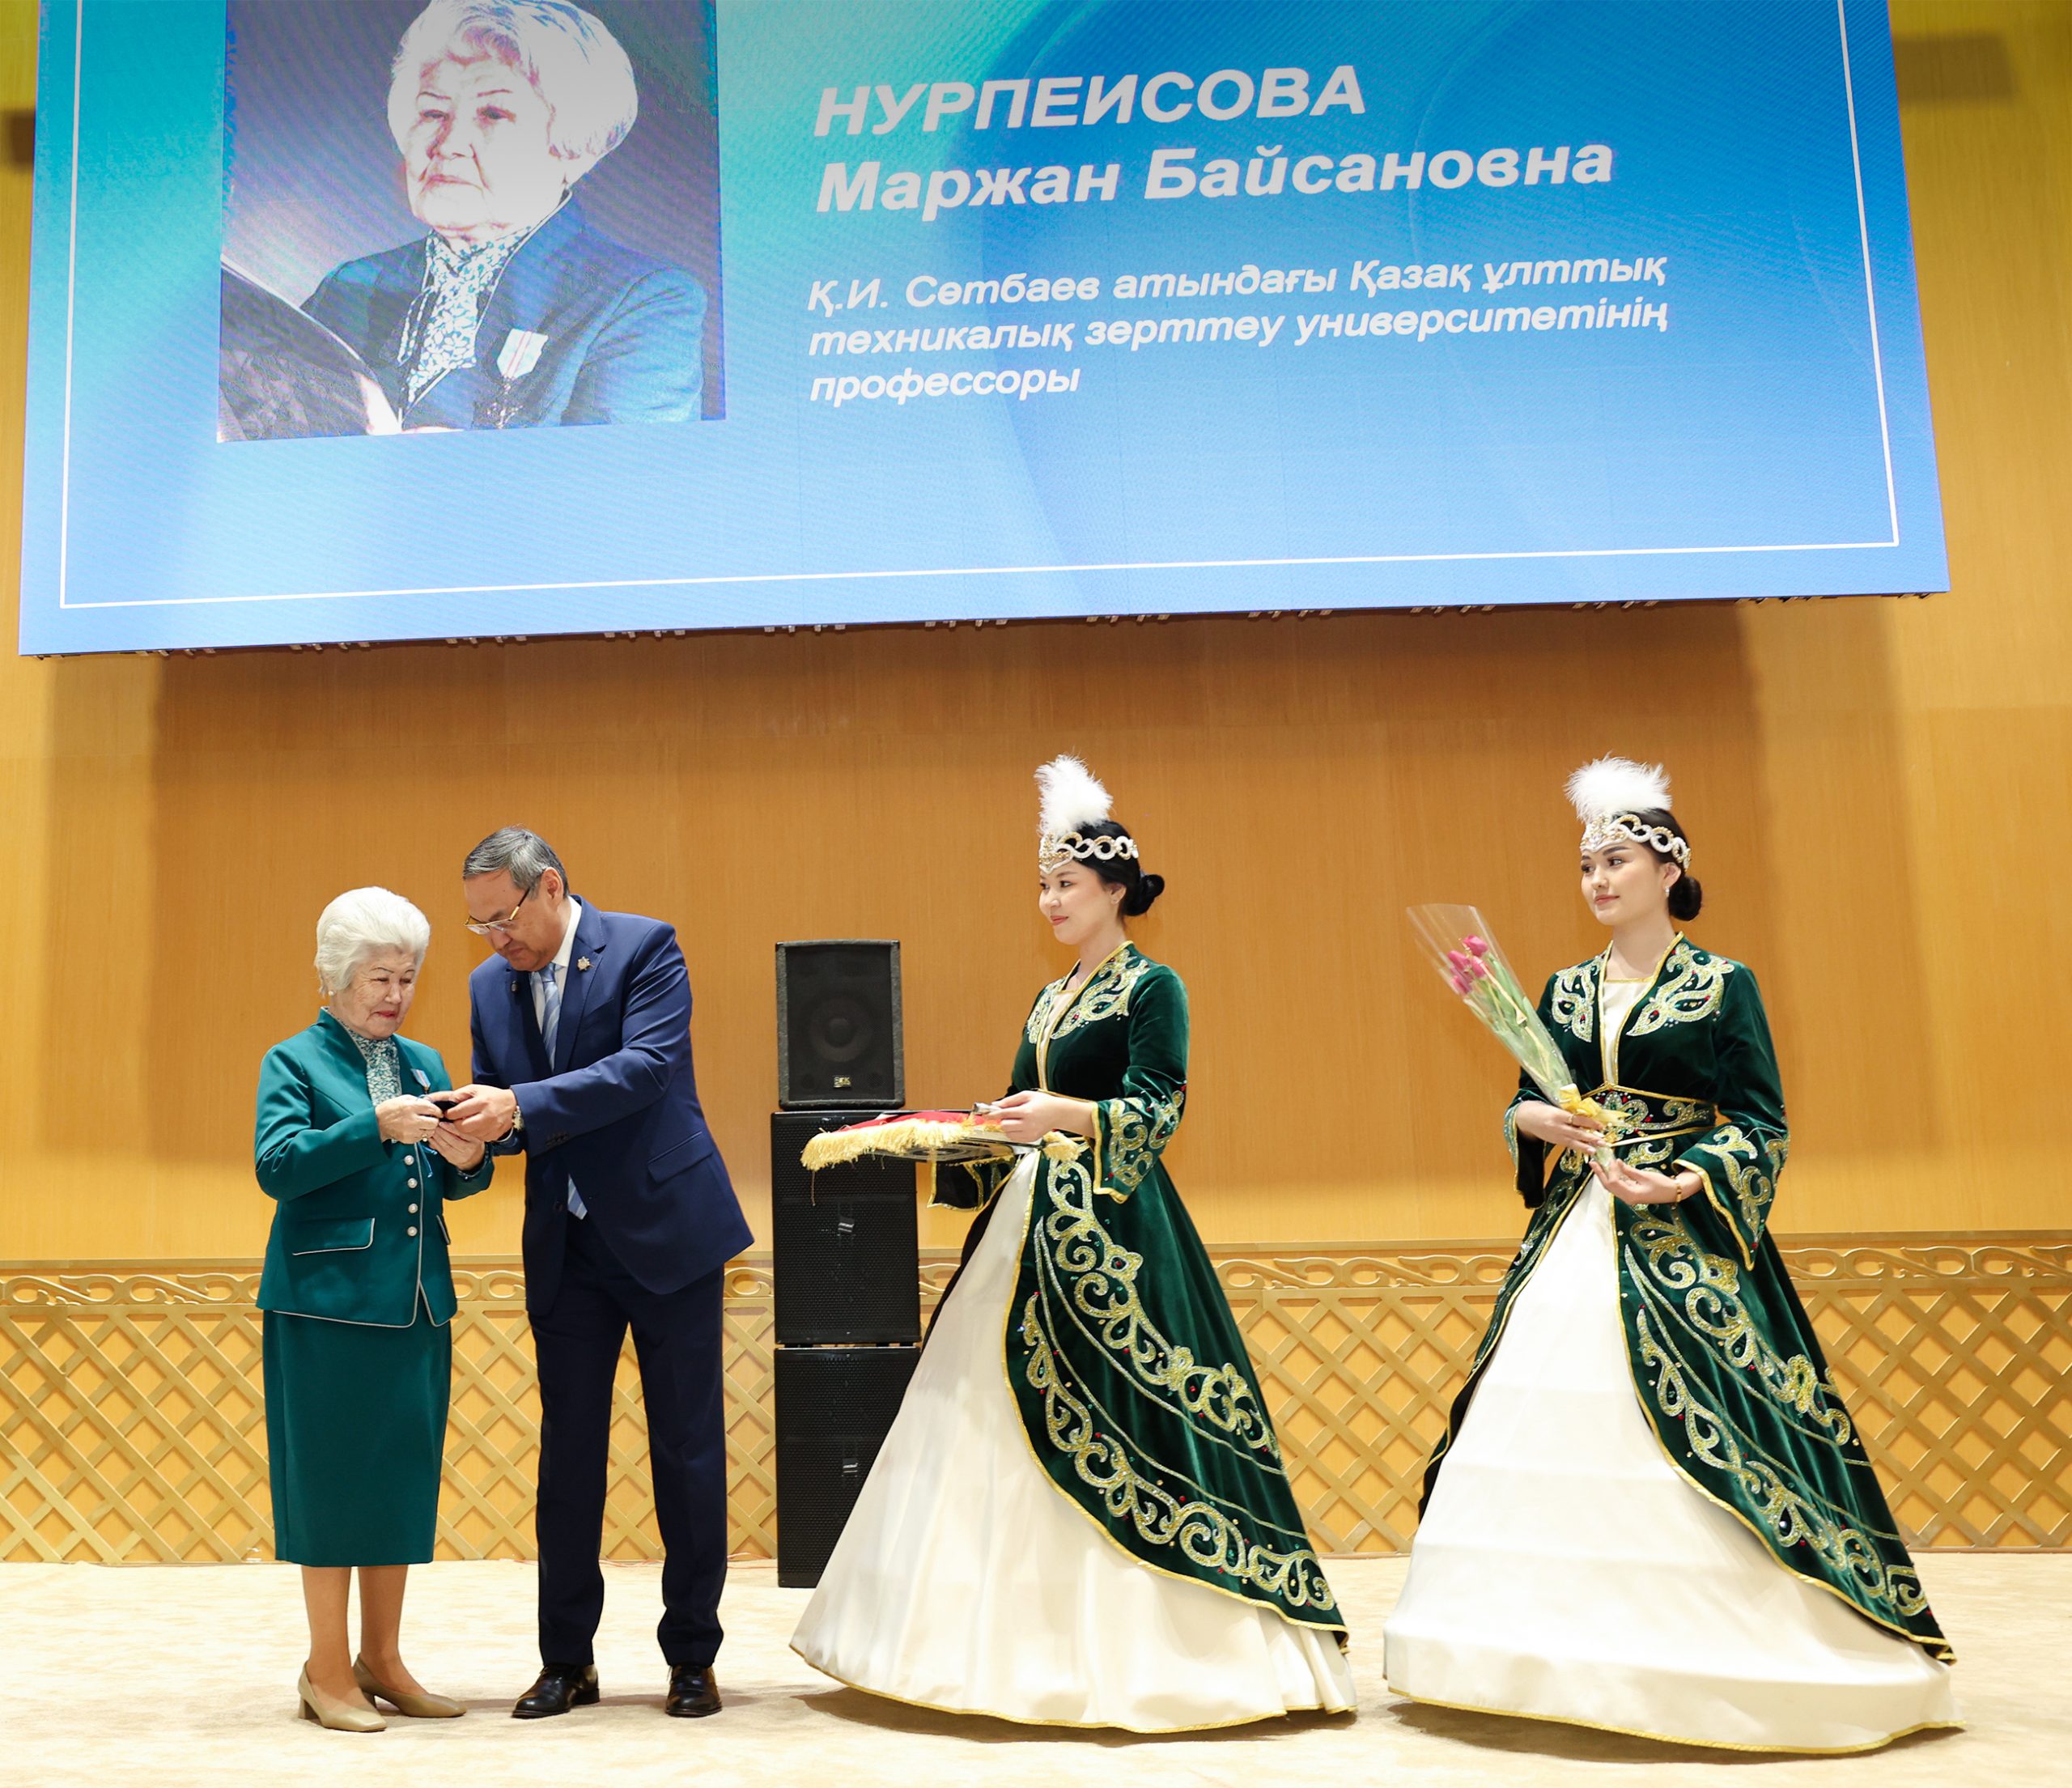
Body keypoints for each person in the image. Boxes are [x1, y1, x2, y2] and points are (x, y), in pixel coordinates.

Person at [1382, 758, 1959, 1752]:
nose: (1597, 878)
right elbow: (1525, 1101)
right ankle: (1530, 1655)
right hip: (1574, 1225)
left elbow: (1761, 1123)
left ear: (1668, 869)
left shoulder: (1722, 985)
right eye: (1586, 864)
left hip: (1680, 1241)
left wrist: (1687, 1178)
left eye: (1616, 859)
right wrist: (1536, 1121)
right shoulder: (1561, 989)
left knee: (1710, 1421)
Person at [792, 756, 1356, 1731]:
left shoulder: (1154, 986)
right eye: (1044, 884)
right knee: (980, 1415)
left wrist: (1062, 1112)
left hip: (1114, 1232)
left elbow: (1158, 1106)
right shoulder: (1049, 996)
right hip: (1027, 1224)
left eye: (1068, 883)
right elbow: (1018, 1106)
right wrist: (955, 1134)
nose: (1052, 899)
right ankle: (978, 1651)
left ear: (1115, 890)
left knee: (1128, 1413)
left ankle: (1157, 1653)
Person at [440, 828, 751, 1720]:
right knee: (567, 1459)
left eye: (504, 917)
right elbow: (508, 1113)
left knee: (686, 1451)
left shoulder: (645, 947)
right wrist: (475, 1138)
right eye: (479, 925)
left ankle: (692, 1656)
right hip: (565, 1247)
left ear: (550, 888)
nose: (496, 938)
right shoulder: (486, 985)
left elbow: (644, 1070)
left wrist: (518, 1106)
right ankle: (565, 1660)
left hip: (667, 1234)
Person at [255, 886, 491, 1733]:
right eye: (379, 977)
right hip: (325, 1308)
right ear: (334, 976)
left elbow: (447, 1179)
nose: (396, 993)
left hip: (417, 1302)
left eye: (407, 976)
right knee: (329, 1488)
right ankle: (324, 1670)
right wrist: (374, 1127)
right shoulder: (292, 1060)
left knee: (396, 1483)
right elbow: (279, 1166)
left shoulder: (424, 1060)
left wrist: (468, 1157)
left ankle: (381, 1660)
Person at [304, 0, 707, 430]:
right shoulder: (348, 286)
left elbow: (632, 469)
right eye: (432, 112)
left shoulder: (644, 302)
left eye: (493, 114)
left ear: (574, 147)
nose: (448, 143)